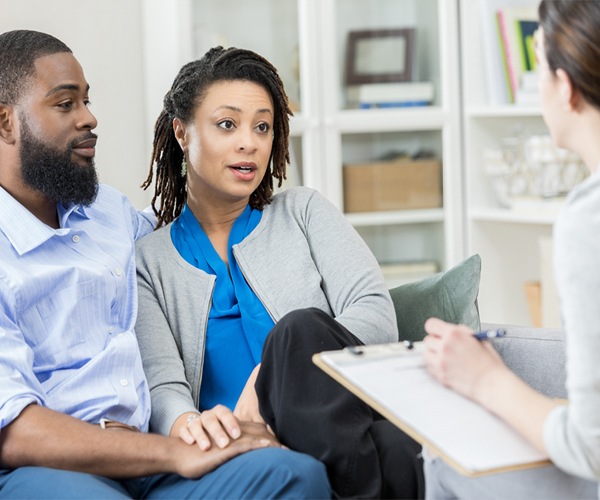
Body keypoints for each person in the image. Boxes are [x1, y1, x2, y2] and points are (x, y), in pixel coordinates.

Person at [0, 29, 331, 500]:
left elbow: (189, 238)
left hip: (151, 461)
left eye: (87, 100)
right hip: (53, 469)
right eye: (65, 103)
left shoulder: (110, 215)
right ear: (6, 122)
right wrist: (174, 452)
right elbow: (12, 430)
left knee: (293, 475)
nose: (90, 118)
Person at [135, 46, 424, 499]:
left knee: (298, 332)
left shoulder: (304, 212)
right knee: (392, 448)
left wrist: (272, 373)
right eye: (227, 124)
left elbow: (374, 314)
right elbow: (163, 386)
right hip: (233, 447)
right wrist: (197, 431)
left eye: (263, 126)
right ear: (182, 133)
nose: (249, 142)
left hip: (332, 424)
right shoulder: (147, 261)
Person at [422, 1, 600, 498]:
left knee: (447, 456)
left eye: (539, 69)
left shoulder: (589, 218)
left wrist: (487, 382)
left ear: (565, 88)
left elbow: (592, 445)